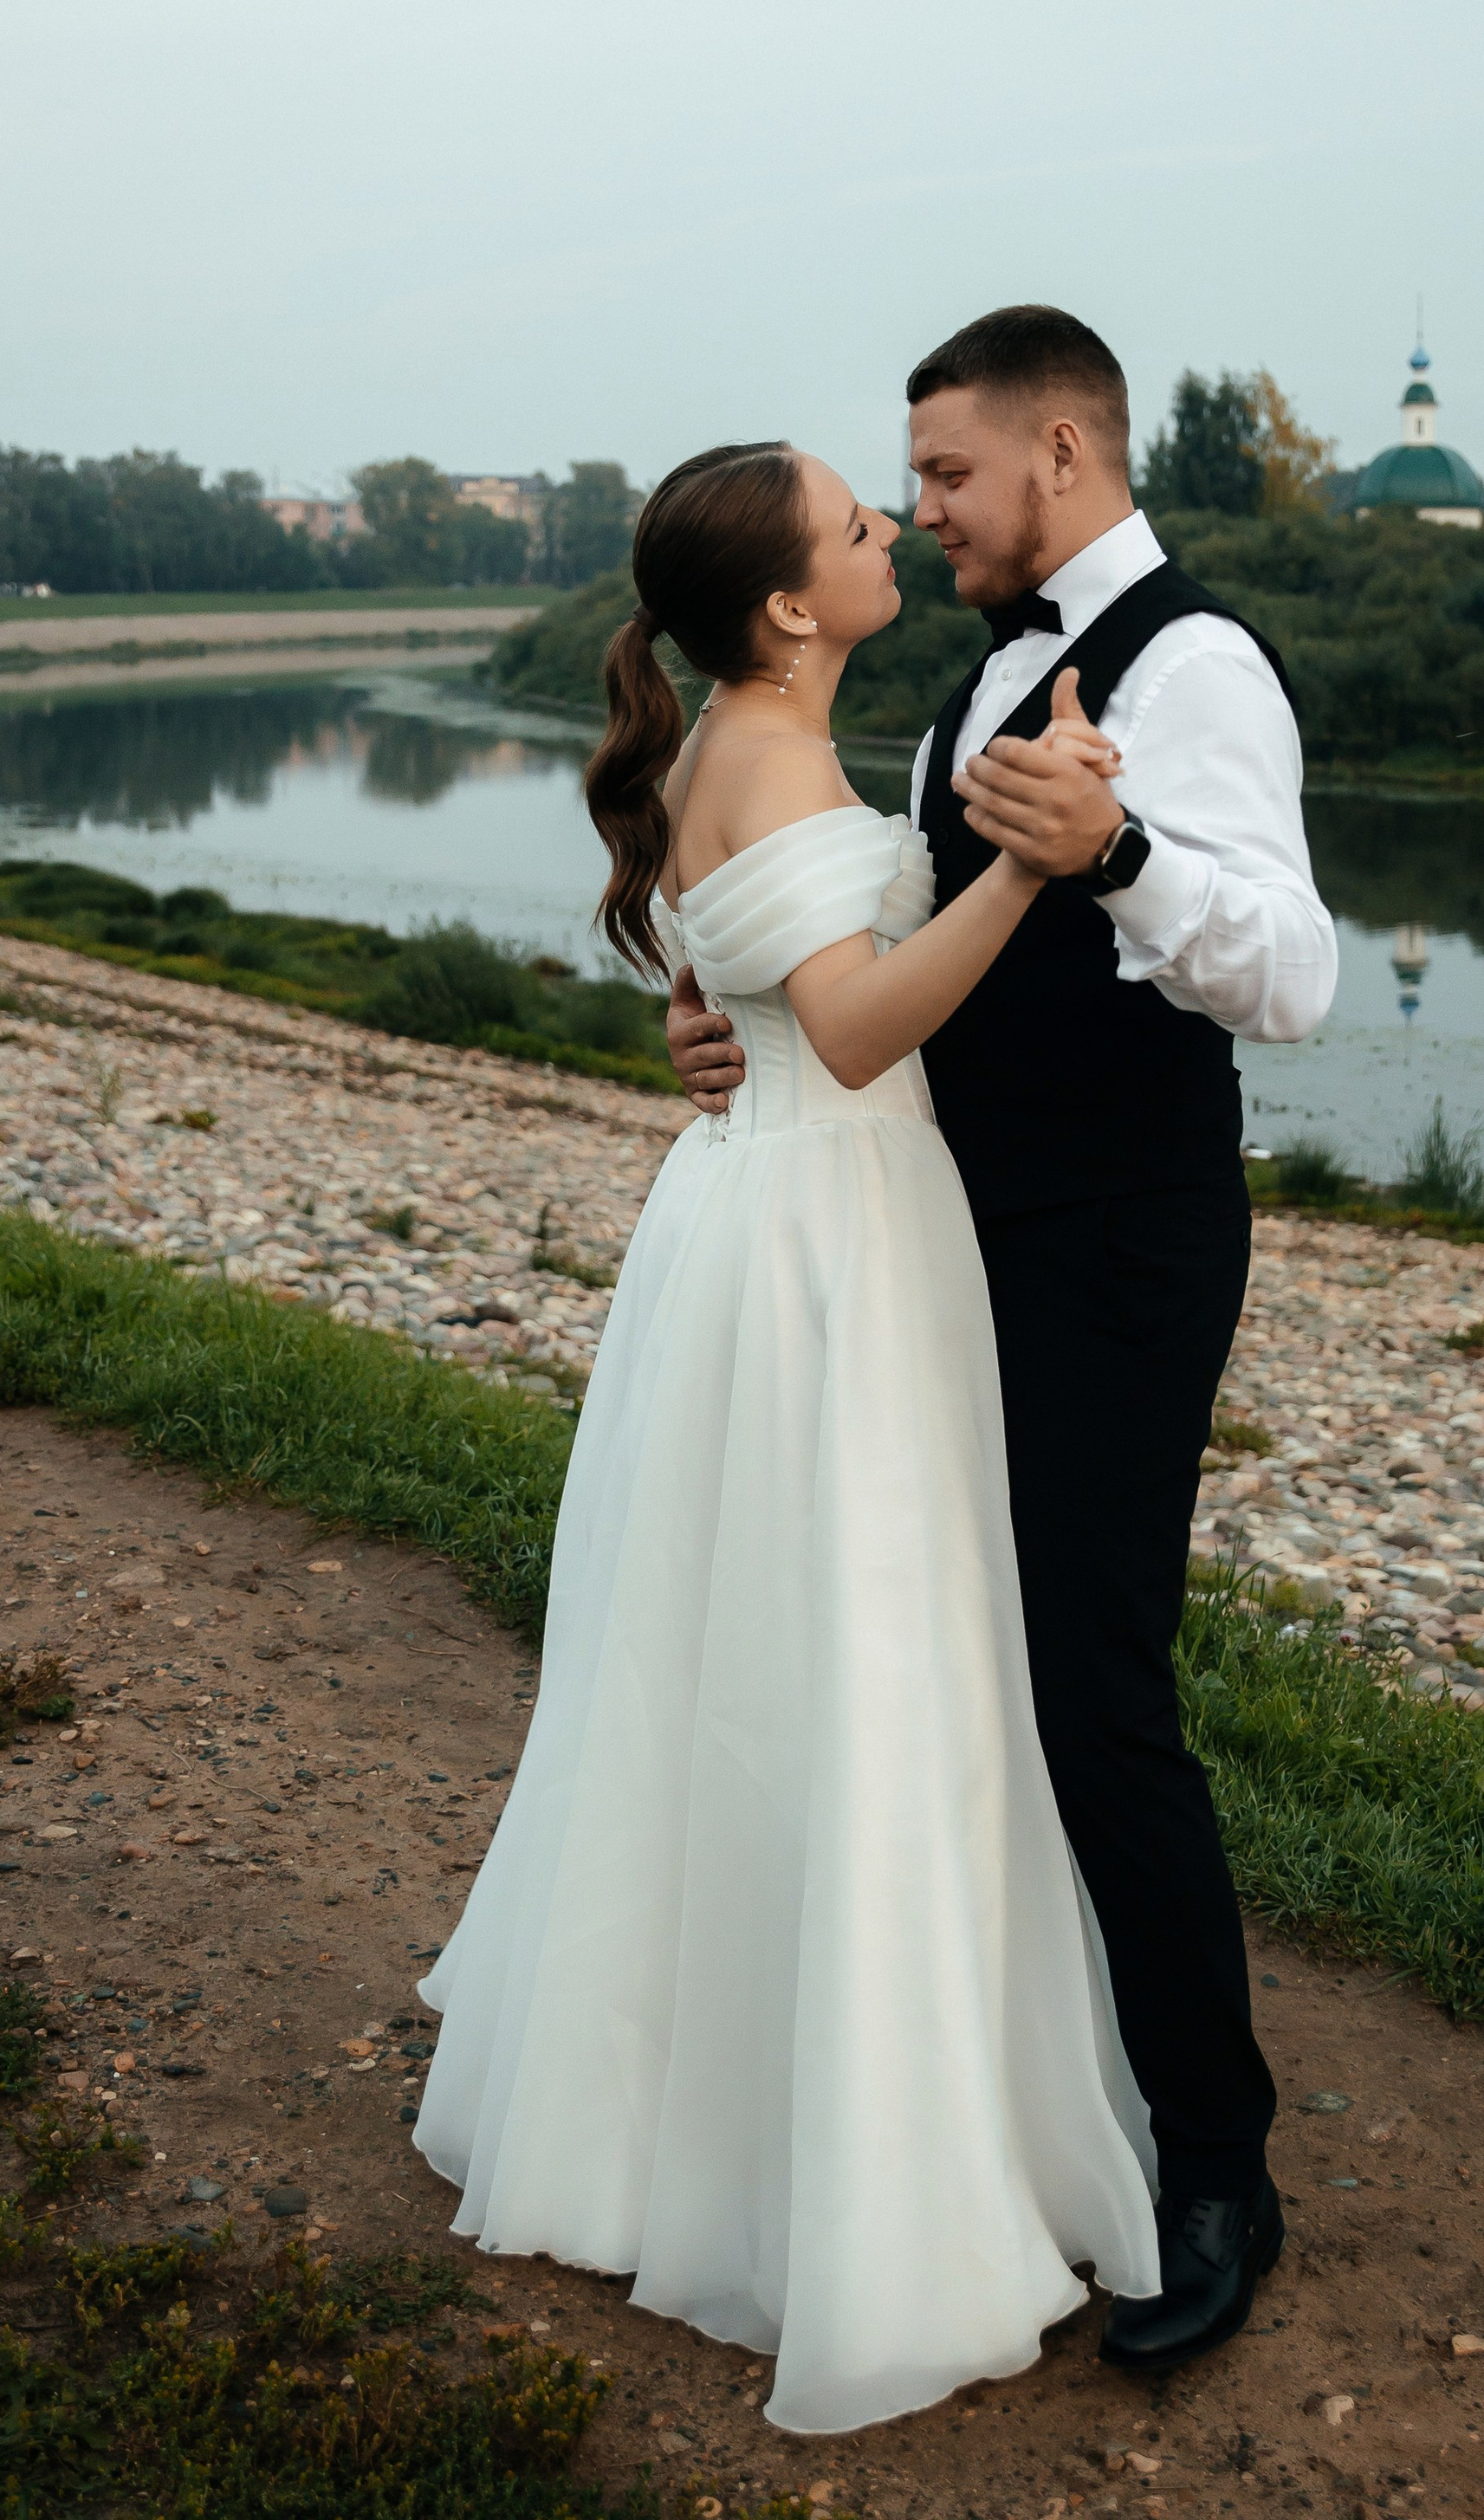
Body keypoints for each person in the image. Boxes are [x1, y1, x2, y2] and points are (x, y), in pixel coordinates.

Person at [414, 436, 1163, 2435]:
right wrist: (1031, 857)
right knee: (845, 1658)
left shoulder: (756, 742)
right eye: (852, 522)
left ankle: (731, 2099)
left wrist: (716, 998)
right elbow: (841, 1028)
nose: (884, 531)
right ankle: (825, 2158)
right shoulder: (761, 751)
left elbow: (741, 971)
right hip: (825, 1228)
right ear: (779, 609)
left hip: (792, 1220)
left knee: (758, 1655)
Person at [667, 308, 1338, 2377]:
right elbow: (860, 939)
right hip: (958, 1241)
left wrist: (1120, 854)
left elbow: (1296, 975)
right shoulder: (978, 661)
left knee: (1094, 1692)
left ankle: (1217, 2165)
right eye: (902, 487)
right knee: (977, 1674)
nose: (924, 508)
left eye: (945, 475)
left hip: (1120, 1247)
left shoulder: (1196, 665)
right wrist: (742, 1016)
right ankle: (1023, 2103)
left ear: (1059, 449)